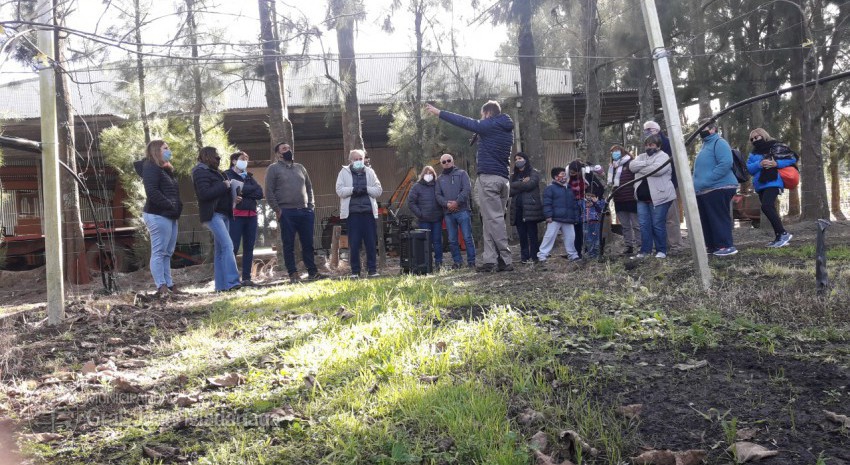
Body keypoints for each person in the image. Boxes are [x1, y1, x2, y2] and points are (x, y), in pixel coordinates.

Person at [425, 100, 513, 272]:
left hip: (489, 179)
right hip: (503, 179)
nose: (481, 118)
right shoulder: (506, 128)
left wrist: (439, 113)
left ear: (487, 113)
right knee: (490, 220)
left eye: (482, 115)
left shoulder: (490, 125)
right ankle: (490, 260)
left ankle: (505, 259)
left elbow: (465, 122)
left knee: (494, 221)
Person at [265, 143, 326, 283]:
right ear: (278, 154)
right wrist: (277, 210)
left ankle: (313, 272)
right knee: (289, 244)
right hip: (286, 212)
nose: (288, 150)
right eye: (284, 149)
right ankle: (293, 274)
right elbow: (268, 192)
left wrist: (311, 206)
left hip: (305, 211)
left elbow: (309, 187)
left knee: (308, 244)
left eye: (289, 148)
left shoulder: (300, 167)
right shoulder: (273, 169)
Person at [134, 139, 182, 295]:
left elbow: (171, 191)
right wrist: (170, 205)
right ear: (156, 151)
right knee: (159, 252)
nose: (169, 151)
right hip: (158, 214)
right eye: (165, 148)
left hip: (170, 215)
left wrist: (175, 207)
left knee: (167, 253)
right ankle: (160, 285)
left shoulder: (164, 169)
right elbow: (152, 192)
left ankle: (169, 285)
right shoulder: (150, 168)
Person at [192, 146, 242, 292]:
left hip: (224, 213)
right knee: (228, 246)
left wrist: (234, 198)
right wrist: (223, 185)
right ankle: (233, 282)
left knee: (221, 250)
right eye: (217, 156)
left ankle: (221, 287)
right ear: (208, 156)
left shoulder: (218, 173)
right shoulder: (199, 172)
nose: (219, 158)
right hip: (212, 214)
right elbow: (203, 194)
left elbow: (222, 193)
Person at [693, 120, 739, 256]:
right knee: (707, 218)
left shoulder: (719, 142)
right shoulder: (704, 146)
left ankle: (725, 245)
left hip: (719, 187)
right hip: (704, 190)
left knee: (718, 216)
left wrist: (708, 179)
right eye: (699, 127)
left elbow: (726, 162)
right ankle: (713, 246)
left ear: (713, 129)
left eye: (704, 127)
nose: (700, 130)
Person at [336, 149, 383, 278]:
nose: (358, 161)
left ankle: (372, 270)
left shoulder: (370, 172)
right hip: (353, 214)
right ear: (350, 160)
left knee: (371, 243)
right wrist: (353, 190)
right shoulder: (343, 173)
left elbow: (378, 190)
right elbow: (339, 190)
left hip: (368, 213)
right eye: (355, 159)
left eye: (360, 159)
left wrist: (366, 189)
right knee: (354, 243)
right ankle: (355, 271)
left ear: (364, 159)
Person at [629, 134, 676, 259]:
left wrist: (641, 167)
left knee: (657, 223)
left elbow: (657, 170)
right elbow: (632, 166)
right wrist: (648, 164)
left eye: (652, 145)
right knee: (644, 225)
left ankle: (661, 250)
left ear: (658, 146)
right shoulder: (641, 156)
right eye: (647, 145)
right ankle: (645, 251)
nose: (648, 147)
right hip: (642, 199)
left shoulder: (664, 156)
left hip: (661, 197)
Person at [746, 128, 794, 248]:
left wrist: (776, 164)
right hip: (760, 185)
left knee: (766, 206)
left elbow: (791, 159)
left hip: (773, 182)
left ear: (763, 135)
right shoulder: (753, 154)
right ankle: (779, 236)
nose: (754, 140)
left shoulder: (776, 147)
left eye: (756, 137)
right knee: (768, 208)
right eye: (752, 139)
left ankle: (783, 233)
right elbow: (749, 169)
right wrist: (759, 164)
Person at [225, 151, 264, 286]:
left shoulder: (249, 176)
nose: (245, 161)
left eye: (247, 159)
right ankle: (231, 279)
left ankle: (247, 278)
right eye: (243, 158)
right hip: (236, 216)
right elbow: (229, 190)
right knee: (233, 247)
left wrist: (241, 190)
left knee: (249, 247)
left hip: (251, 216)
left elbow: (260, 193)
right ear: (234, 161)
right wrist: (249, 190)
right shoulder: (227, 175)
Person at [644, 121, 683, 253]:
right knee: (659, 219)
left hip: (669, 184)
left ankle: (676, 245)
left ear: (656, 130)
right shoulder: (649, 149)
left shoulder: (666, 143)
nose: (646, 132)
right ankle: (663, 246)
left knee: (671, 218)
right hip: (654, 188)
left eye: (649, 129)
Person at [435, 153, 476, 270]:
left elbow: (466, 189)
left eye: (448, 160)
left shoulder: (462, 174)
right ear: (441, 164)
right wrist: (447, 204)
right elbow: (438, 195)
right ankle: (457, 262)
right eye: (444, 162)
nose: (446, 163)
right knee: (452, 240)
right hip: (448, 213)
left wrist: (457, 202)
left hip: (462, 211)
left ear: (453, 161)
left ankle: (471, 261)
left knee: (467, 237)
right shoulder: (439, 179)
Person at [537, 167, 580, 266]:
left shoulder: (569, 189)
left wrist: (575, 217)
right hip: (554, 218)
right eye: (562, 174)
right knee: (549, 236)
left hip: (568, 218)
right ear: (556, 177)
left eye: (565, 174)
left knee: (571, 237)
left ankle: (573, 255)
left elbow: (574, 205)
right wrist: (548, 216)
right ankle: (542, 255)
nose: (565, 176)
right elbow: (547, 203)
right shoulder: (550, 188)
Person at [509, 152, 544, 264]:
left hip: (530, 208)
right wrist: (521, 182)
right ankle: (524, 257)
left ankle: (535, 256)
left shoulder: (533, 172)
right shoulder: (513, 175)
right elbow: (509, 190)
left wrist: (516, 185)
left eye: (520, 158)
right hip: (517, 209)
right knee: (522, 235)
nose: (518, 160)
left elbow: (530, 185)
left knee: (532, 234)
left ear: (525, 159)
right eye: (516, 159)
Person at [408, 165, 444, 270]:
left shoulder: (437, 185)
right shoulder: (417, 186)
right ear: (423, 175)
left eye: (431, 173)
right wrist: (420, 214)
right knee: (425, 243)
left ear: (434, 175)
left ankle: (439, 263)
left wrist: (441, 213)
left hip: (437, 219)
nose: (429, 175)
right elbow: (411, 202)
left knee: (437, 241)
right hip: (424, 220)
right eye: (427, 173)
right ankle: (426, 263)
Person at [567, 160, 604, 257]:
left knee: (588, 230)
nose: (573, 174)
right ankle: (577, 252)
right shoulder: (568, 177)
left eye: (575, 173)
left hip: (586, 205)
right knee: (576, 229)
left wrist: (592, 200)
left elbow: (599, 188)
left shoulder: (587, 174)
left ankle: (591, 251)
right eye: (571, 173)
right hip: (573, 204)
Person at [607, 145, 640, 255]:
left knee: (636, 224)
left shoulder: (630, 163)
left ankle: (641, 245)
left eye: (616, 151)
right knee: (625, 225)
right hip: (619, 199)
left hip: (631, 198)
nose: (614, 153)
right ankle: (628, 246)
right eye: (612, 152)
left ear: (622, 151)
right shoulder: (613, 167)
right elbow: (610, 182)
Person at [579, 192, 606, 258]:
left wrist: (595, 202)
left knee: (596, 239)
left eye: (591, 196)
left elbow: (601, 210)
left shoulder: (598, 203)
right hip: (586, 224)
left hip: (596, 223)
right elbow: (580, 207)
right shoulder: (582, 202)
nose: (589, 197)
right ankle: (590, 254)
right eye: (588, 196)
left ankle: (596, 254)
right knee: (588, 239)